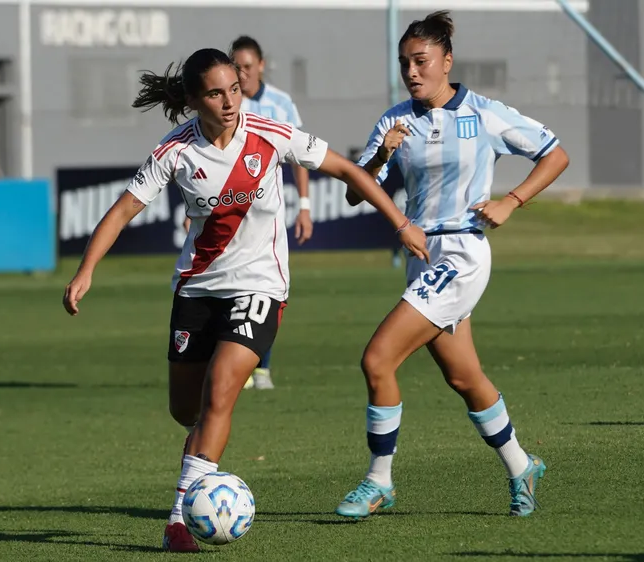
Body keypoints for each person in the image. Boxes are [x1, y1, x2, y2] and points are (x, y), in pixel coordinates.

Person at [61, 48, 422, 552]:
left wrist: (400, 223)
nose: (230, 101)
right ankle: (204, 458)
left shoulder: (270, 133)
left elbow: (346, 171)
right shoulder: (176, 152)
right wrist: (86, 270)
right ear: (193, 100)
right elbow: (122, 210)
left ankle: (179, 521)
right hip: (197, 289)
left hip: (260, 286)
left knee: (222, 388)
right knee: (185, 409)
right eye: (216, 93)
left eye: (235, 89)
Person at [335, 10, 570, 519]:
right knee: (464, 377)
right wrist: (379, 160)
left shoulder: (483, 114)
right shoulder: (394, 120)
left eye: (421, 61)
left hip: (462, 255)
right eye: (405, 64)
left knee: (377, 359)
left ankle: (379, 481)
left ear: (447, 61)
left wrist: (512, 201)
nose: (412, 72)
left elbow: (554, 155)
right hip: (421, 259)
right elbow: (356, 195)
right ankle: (521, 465)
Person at [183, 35, 313, 391]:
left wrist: (304, 205)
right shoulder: (216, 113)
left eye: (246, 66)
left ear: (260, 65)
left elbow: (302, 156)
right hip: (225, 209)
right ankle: (225, 359)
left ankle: (260, 366)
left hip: (263, 205)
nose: (242, 72)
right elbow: (205, 166)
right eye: (236, 66)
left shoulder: (280, 104)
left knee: (262, 282)